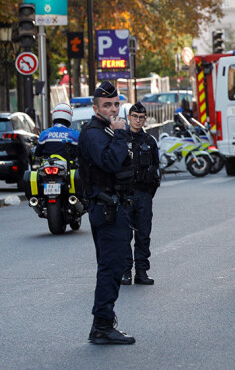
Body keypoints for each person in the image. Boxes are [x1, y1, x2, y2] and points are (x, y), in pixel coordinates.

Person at [78, 81, 136, 345]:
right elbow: (111, 162)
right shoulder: (94, 133)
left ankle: (102, 323)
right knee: (111, 268)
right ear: (95, 107)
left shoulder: (107, 130)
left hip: (116, 207)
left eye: (116, 104)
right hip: (106, 208)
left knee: (114, 266)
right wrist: (121, 135)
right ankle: (102, 325)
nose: (113, 109)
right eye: (107, 105)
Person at [121, 102, 161, 286]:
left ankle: (142, 271)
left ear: (145, 119)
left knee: (143, 234)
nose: (138, 120)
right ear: (129, 117)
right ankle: (125, 271)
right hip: (125, 194)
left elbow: (156, 170)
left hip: (144, 194)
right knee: (124, 234)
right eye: (134, 116)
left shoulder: (149, 142)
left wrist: (148, 192)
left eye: (141, 117)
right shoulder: (120, 139)